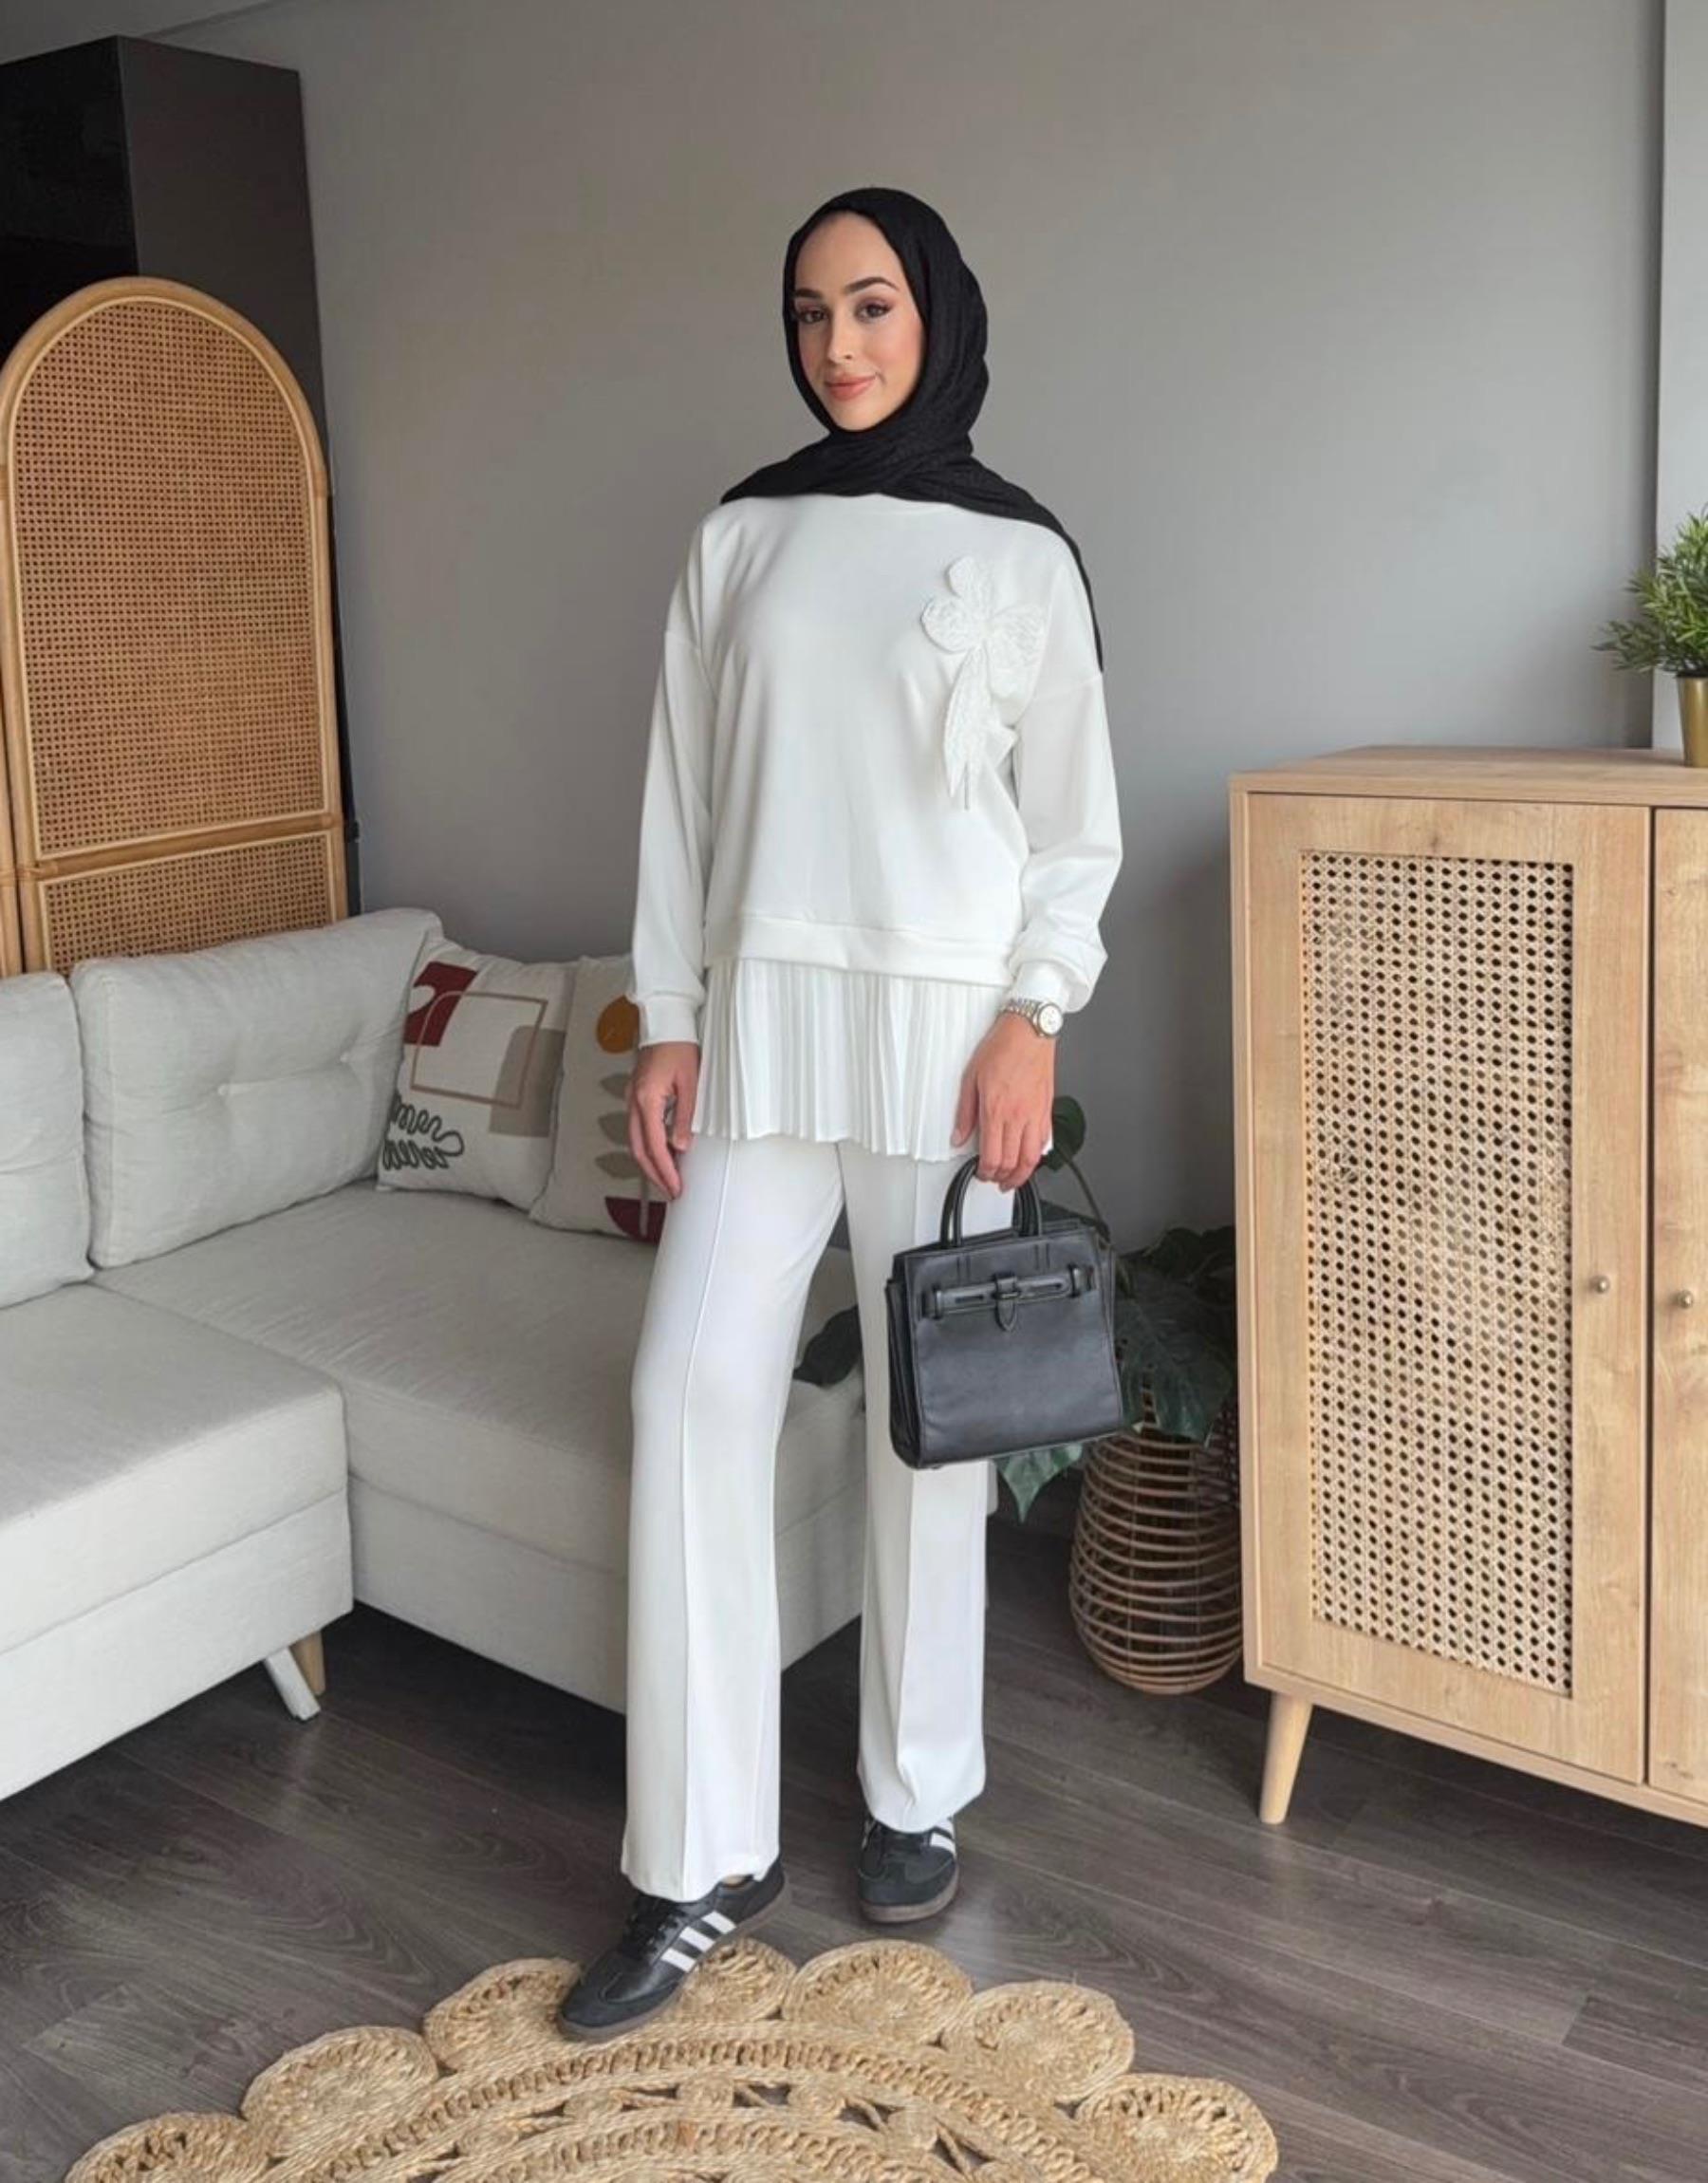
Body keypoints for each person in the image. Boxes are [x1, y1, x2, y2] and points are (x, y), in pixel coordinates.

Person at [558, 184, 1123, 2042]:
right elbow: (680, 803)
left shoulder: (1022, 552)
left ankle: (915, 1790)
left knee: (928, 1426)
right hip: (763, 1030)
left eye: (871, 306)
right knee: (687, 1391)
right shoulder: (742, 535)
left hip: (949, 1042)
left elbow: (1072, 829)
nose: (840, 344)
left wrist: (1034, 1019)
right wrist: (668, 1021)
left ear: (934, 314)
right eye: (810, 313)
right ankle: (699, 1854)